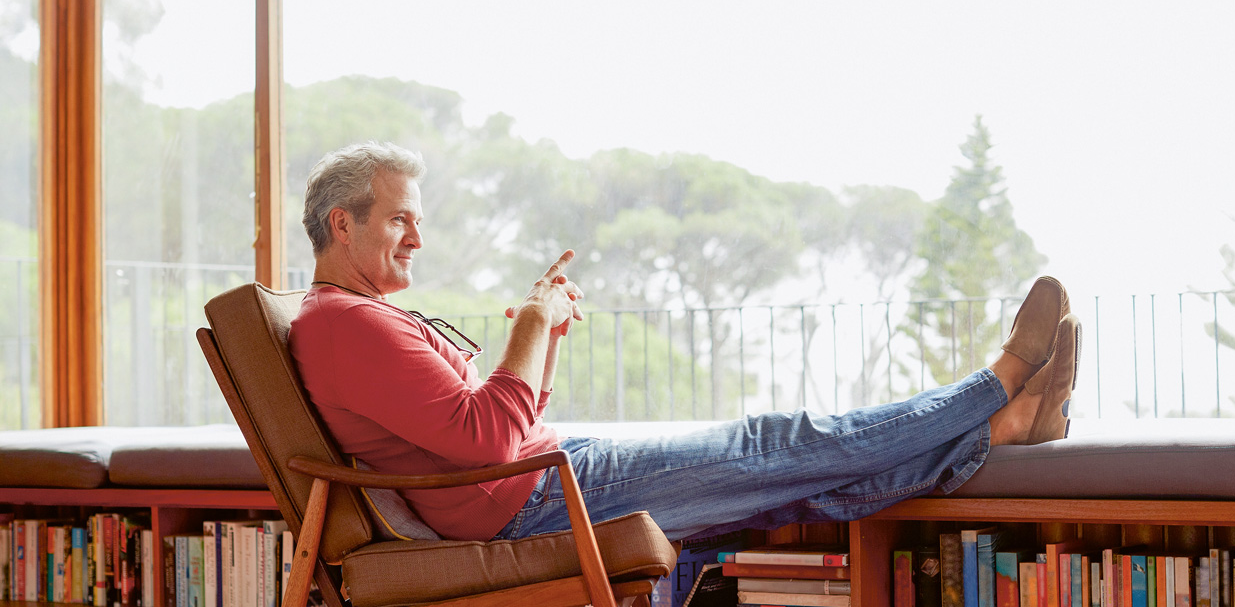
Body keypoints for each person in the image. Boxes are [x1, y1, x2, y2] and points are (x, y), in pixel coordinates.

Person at [288, 141, 1081, 543]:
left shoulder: (361, 319)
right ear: (342, 224)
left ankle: (1003, 427)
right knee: (776, 443)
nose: (418, 239)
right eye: (400, 219)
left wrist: (549, 330)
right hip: (532, 500)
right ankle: (1002, 380)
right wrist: (530, 322)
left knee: (789, 486)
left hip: (538, 476)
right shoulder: (341, 323)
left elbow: (504, 421)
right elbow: (488, 435)